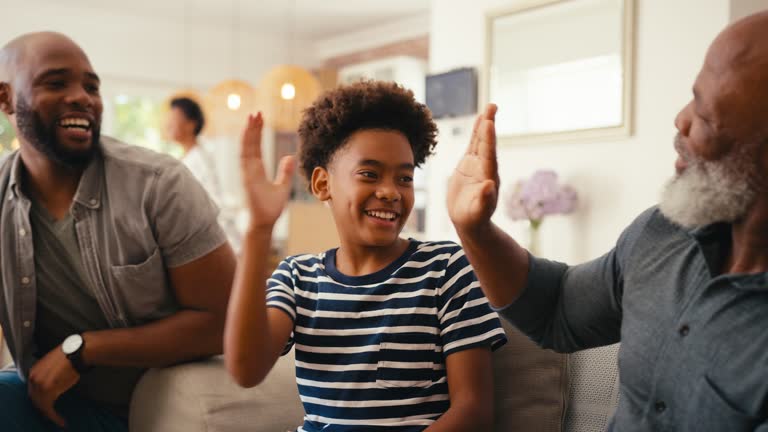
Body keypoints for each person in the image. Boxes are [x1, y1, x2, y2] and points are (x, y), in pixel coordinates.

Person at [446, 11, 768, 432]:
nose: (681, 121)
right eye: (693, 97)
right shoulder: (663, 231)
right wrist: (476, 231)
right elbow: (557, 307)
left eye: (706, 119)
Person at [224, 81, 507, 431]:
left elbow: (474, 410)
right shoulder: (298, 278)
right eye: (369, 174)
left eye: (404, 178)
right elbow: (245, 369)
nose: (390, 192)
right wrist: (258, 231)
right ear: (322, 184)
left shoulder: (446, 269)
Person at [0, 32, 236, 431]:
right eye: (56, 83)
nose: (83, 97)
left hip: (157, 405)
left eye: (91, 86)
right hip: (46, 398)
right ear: (5, 98)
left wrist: (83, 350)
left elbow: (224, 323)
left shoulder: (159, 184)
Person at [166, 97, 242, 252]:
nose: (169, 124)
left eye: (174, 119)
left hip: (220, 246)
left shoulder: (199, 161)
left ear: (190, 124)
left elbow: (215, 205)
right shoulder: (187, 158)